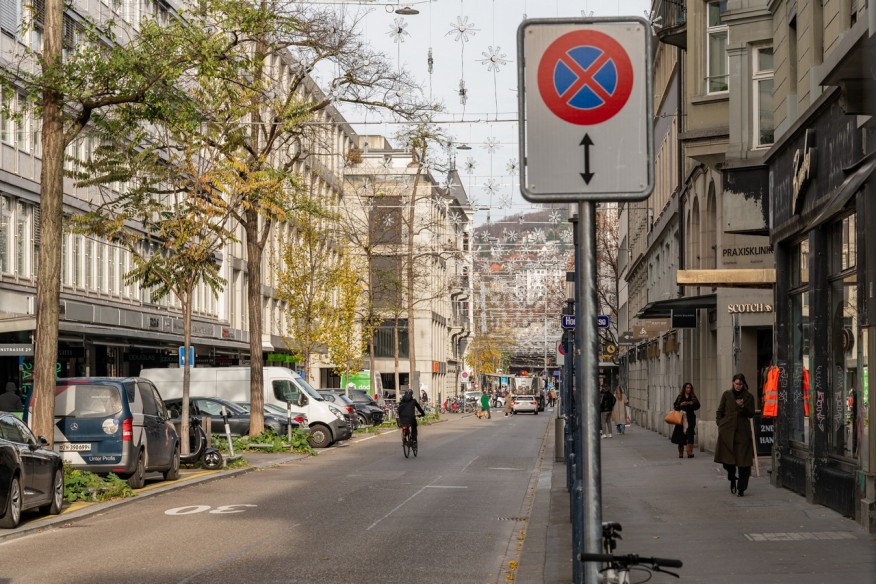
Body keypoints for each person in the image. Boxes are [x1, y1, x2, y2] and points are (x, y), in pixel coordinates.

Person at [714, 373, 756, 496]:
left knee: (744, 463)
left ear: (743, 384)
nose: (738, 386)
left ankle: (741, 488)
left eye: (740, 384)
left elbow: (751, 414)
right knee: (728, 462)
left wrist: (742, 406)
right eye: (736, 383)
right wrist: (720, 423)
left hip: (742, 433)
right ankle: (732, 478)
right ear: (733, 383)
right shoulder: (727, 395)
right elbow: (719, 411)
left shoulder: (749, 397)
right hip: (727, 432)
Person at [670, 382, 701, 458]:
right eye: (687, 388)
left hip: (690, 417)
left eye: (690, 388)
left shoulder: (692, 397)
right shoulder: (680, 397)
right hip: (681, 418)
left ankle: (689, 452)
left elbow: (698, 406)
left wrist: (692, 403)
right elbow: (675, 407)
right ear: (684, 388)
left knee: (690, 434)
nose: (689, 389)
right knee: (681, 434)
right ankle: (681, 452)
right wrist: (681, 404)